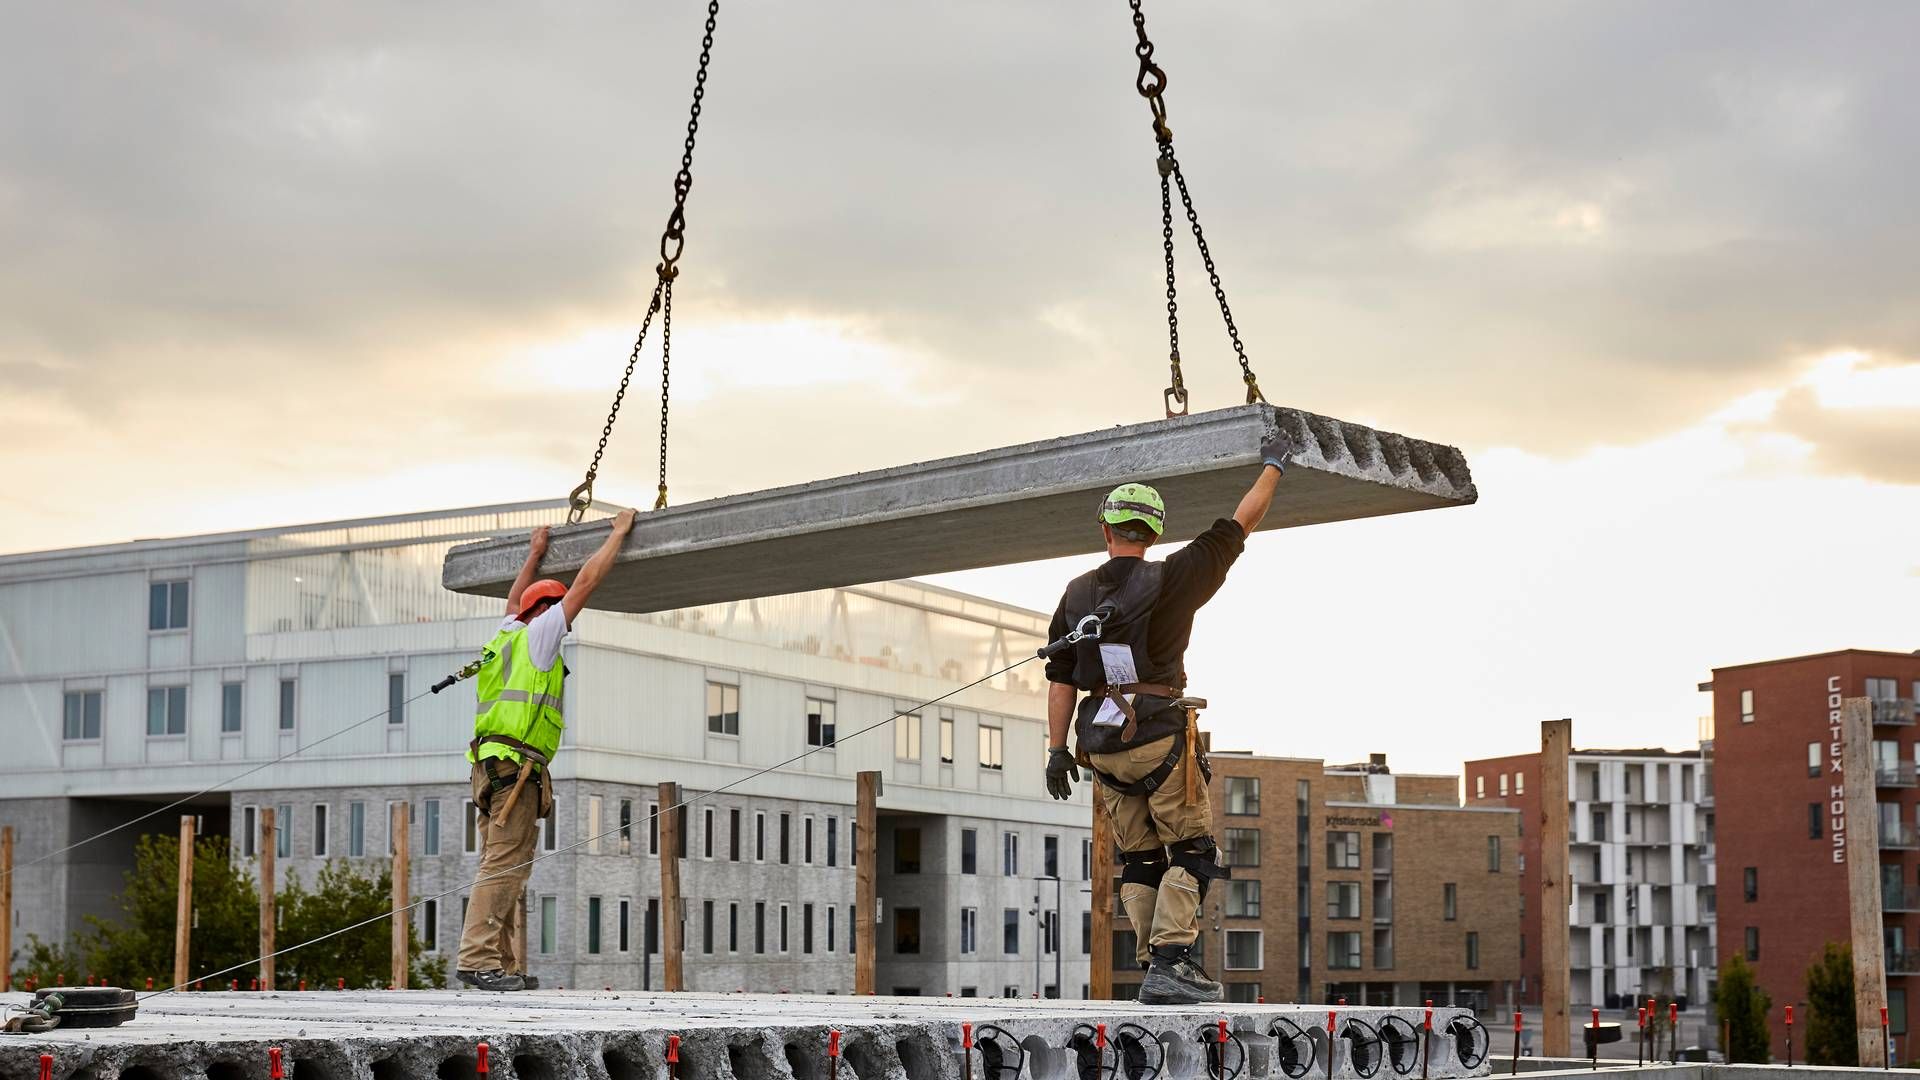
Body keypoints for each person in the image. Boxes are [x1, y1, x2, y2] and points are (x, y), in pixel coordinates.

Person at [1043, 429, 1294, 1005]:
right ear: (1153, 532)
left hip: (1100, 743)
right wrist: (1274, 465)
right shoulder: (1175, 577)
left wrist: (1057, 750)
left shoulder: (1076, 594)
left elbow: (1059, 678)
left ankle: (1157, 959)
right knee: (1193, 849)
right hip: (1156, 734)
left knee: (1140, 855)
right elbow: (1239, 524)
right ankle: (1172, 961)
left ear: (1106, 530)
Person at [455, 508, 636, 991]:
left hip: (490, 768)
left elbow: (515, 599)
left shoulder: (506, 635)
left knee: (504, 866)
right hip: (516, 770)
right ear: (547, 612)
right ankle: (478, 961)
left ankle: (504, 964)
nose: (566, 628)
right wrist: (617, 534)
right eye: (559, 616)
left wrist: (534, 555)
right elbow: (584, 584)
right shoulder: (541, 634)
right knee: (503, 866)